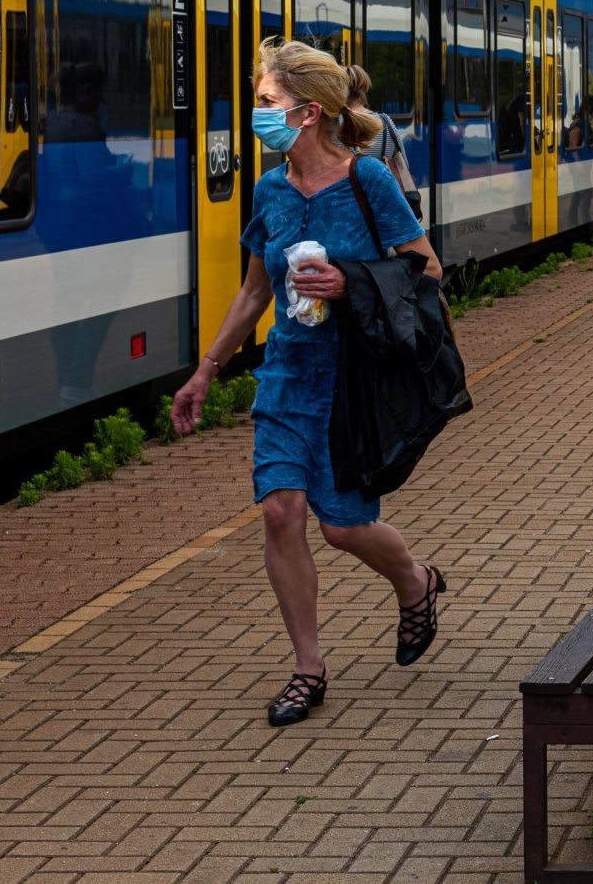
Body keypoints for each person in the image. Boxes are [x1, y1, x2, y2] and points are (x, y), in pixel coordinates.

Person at [169, 39, 448, 729]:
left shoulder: (368, 182)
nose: (256, 115)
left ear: (308, 113)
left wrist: (349, 283)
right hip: (289, 371)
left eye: (265, 103)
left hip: (353, 377)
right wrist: (206, 370)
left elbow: (428, 272)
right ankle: (307, 668)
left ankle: (415, 582)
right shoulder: (269, 191)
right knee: (279, 512)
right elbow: (254, 292)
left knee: (344, 527)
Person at [344, 64, 422, 215]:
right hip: (380, 205)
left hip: (346, 206)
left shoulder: (334, 126)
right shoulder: (384, 122)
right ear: (363, 91)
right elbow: (403, 164)